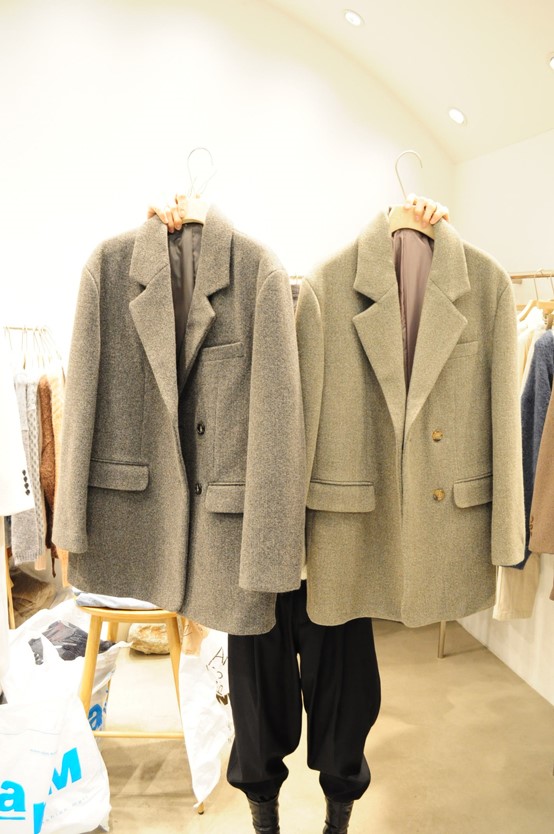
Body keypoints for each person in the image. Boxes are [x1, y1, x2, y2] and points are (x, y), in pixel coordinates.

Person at [148, 192, 449, 834]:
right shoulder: (231, 304)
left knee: (346, 697)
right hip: (252, 538)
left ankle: (338, 817)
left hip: (334, 538)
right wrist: (167, 241)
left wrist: (421, 239)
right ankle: (265, 819)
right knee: (256, 704)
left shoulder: (342, 304)